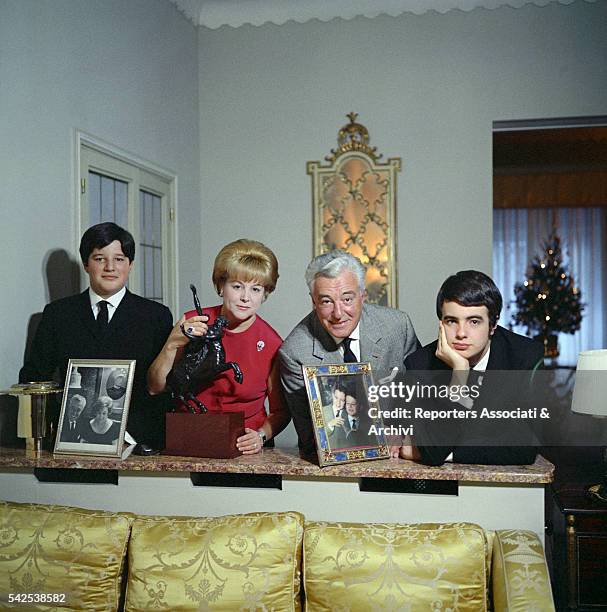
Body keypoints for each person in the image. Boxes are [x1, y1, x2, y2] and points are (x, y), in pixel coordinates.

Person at [19, 222, 173, 453]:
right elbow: (34, 378)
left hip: (135, 444)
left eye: (119, 259)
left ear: (130, 264)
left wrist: (131, 437)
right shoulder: (58, 314)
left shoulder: (155, 316)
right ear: (86, 264)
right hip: (69, 441)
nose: (110, 267)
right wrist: (60, 432)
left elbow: (162, 388)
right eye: (100, 258)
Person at [148, 239, 290, 455]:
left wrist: (261, 435)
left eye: (256, 289)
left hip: (243, 447)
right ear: (220, 286)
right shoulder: (192, 321)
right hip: (188, 439)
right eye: (237, 286)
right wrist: (172, 344)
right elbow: (154, 387)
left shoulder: (272, 343)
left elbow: (281, 411)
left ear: (265, 293)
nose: (245, 297)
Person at [392, 270, 544, 466]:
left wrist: (446, 454)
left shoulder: (524, 357)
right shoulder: (419, 365)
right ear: (441, 324)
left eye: (474, 321)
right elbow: (432, 447)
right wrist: (460, 374)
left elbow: (525, 448)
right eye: (452, 321)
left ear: (493, 324)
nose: (461, 333)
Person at [280, 250, 419, 457]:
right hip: (334, 467)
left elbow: (420, 397)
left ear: (363, 296)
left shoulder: (397, 326)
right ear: (313, 301)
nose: (338, 314)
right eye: (326, 301)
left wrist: (402, 431)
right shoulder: (294, 352)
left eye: (347, 299)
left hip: (398, 458)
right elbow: (310, 438)